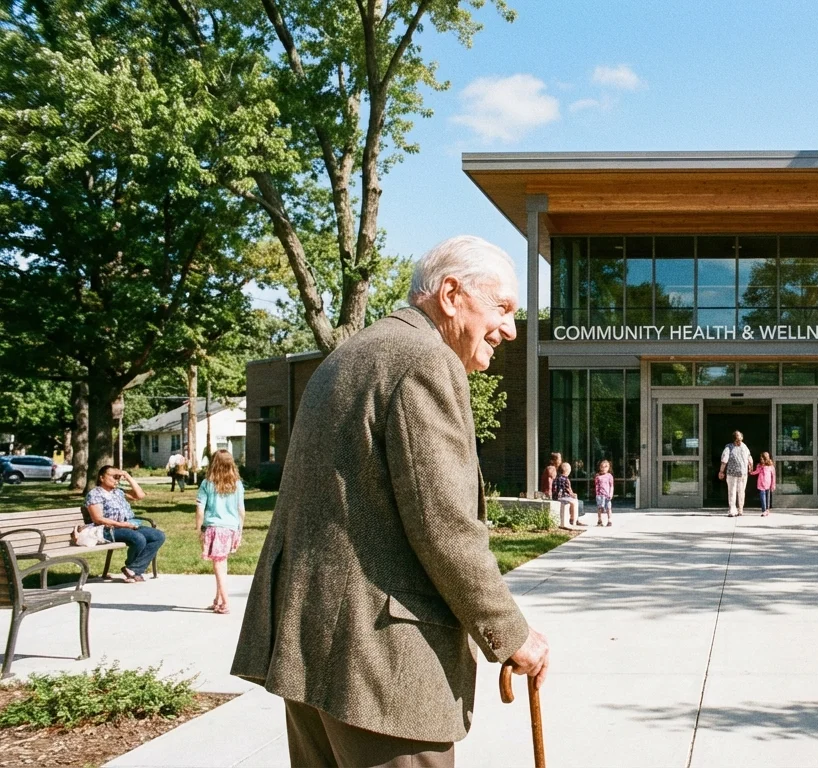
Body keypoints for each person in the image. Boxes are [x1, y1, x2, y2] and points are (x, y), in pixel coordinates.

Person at [232, 235, 549, 768]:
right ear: (451, 293)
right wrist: (511, 634)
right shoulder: (425, 359)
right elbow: (446, 528)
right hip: (380, 670)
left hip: (312, 655)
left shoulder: (351, 354)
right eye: (503, 308)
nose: (511, 329)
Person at [85, 465, 165, 582]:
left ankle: (133, 569)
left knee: (158, 536)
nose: (116, 480)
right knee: (138, 538)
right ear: (102, 478)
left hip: (128, 525)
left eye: (118, 477)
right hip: (107, 529)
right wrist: (123, 525)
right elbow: (98, 519)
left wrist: (128, 477)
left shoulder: (118, 492)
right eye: (114, 477)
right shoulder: (95, 494)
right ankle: (134, 571)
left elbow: (140, 495)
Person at [196, 449, 245, 614]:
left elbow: (200, 508)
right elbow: (241, 510)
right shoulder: (237, 484)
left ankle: (225, 602)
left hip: (215, 528)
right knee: (222, 564)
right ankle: (217, 600)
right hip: (231, 528)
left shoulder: (207, 484)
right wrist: (240, 530)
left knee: (218, 565)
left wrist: (200, 528)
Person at [718, 431, 753, 517]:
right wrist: (721, 471)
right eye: (738, 439)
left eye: (741, 439)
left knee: (740, 492)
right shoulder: (729, 447)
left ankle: (739, 509)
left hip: (742, 474)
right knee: (733, 491)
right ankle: (733, 510)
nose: (740, 441)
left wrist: (751, 467)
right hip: (733, 473)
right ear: (734, 439)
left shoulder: (742, 446)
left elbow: (749, 457)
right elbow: (724, 460)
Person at [554, 461, 582, 527]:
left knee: (573, 499)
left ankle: (574, 518)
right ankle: (574, 520)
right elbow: (568, 490)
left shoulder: (556, 478)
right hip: (563, 497)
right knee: (575, 501)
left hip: (556, 497)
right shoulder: (566, 479)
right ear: (568, 471)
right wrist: (573, 495)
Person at [750, 451, 775, 517]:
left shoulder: (770, 466)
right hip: (761, 484)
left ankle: (767, 509)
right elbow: (756, 472)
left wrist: (773, 485)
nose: (761, 460)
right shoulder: (759, 466)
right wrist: (751, 472)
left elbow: (773, 476)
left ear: (766, 458)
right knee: (762, 498)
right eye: (760, 459)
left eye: (762, 458)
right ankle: (764, 510)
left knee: (767, 498)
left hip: (768, 484)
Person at [593, 460, 614, 527]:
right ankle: (599, 520)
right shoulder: (598, 476)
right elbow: (596, 486)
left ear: (608, 468)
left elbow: (611, 486)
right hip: (600, 495)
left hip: (607, 495)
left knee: (608, 508)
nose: (604, 468)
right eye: (602, 467)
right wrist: (597, 495)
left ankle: (609, 520)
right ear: (600, 467)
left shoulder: (609, 476)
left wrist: (611, 494)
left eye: (606, 467)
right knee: (599, 508)